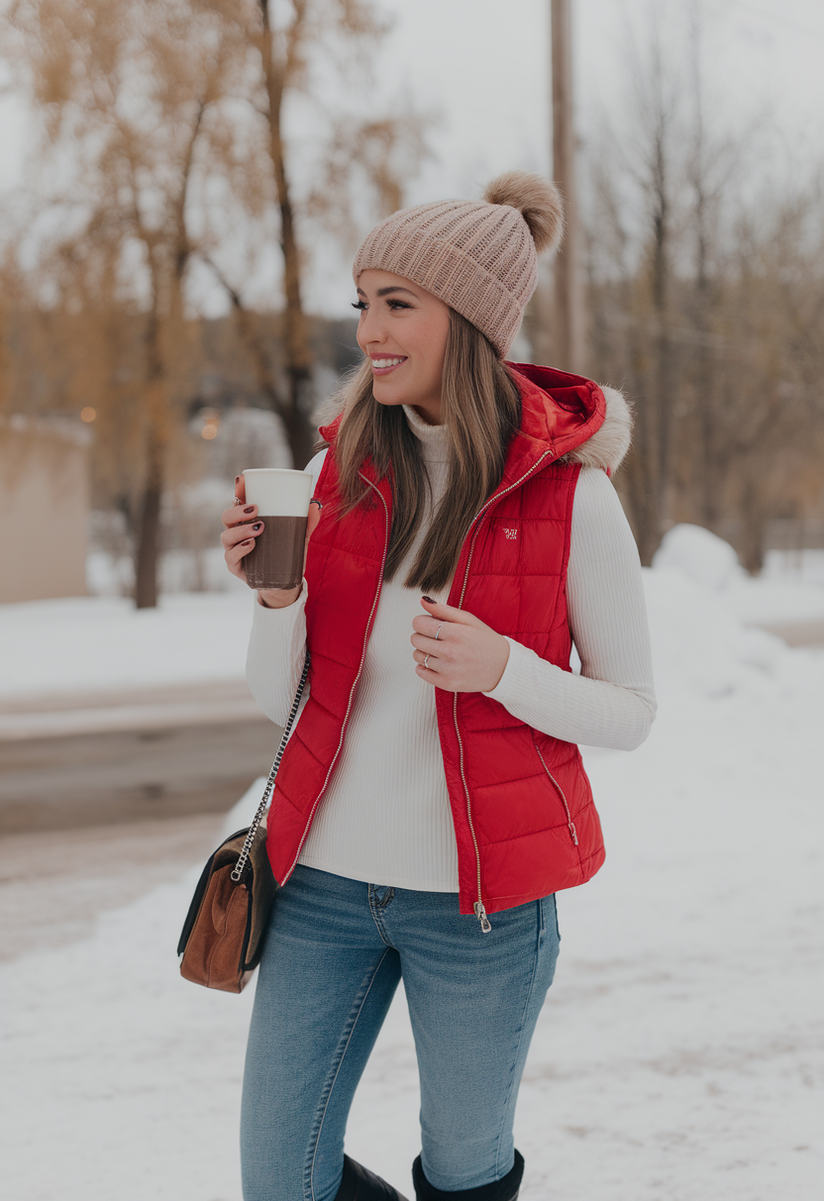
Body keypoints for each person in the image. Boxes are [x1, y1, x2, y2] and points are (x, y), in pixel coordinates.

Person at [220, 171, 656, 1201]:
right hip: (320, 887)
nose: (369, 329)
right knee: (281, 1178)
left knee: (463, 1173)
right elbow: (274, 704)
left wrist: (502, 669)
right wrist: (273, 598)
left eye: (397, 304)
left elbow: (630, 711)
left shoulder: (571, 501)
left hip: (483, 911)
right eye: (362, 303)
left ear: (468, 320)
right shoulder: (336, 480)